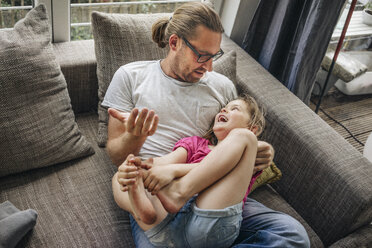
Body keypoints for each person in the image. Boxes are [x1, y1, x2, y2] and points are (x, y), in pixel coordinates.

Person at [103, 2, 310, 247]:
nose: (209, 67)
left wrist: (261, 151)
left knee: (292, 235)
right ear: (174, 43)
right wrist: (135, 137)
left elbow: (230, 140)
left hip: (211, 186)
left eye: (214, 56)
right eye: (202, 56)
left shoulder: (222, 86)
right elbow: (117, 156)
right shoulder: (130, 76)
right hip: (154, 192)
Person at [116, 95, 264, 247]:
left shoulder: (248, 153)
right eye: (224, 108)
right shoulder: (195, 144)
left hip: (207, 224)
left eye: (235, 109)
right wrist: (137, 168)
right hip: (164, 226)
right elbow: (162, 164)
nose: (225, 110)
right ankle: (142, 210)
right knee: (120, 174)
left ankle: (179, 191)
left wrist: (175, 170)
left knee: (245, 138)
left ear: (252, 128)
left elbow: (173, 169)